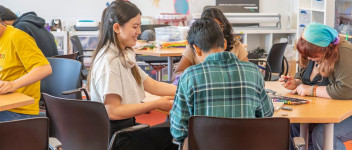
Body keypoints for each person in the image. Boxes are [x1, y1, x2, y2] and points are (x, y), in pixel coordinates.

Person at [280, 22, 352, 150]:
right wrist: (297, 83)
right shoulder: (313, 54)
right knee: (295, 123)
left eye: (315, 56)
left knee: (322, 134)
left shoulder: (345, 53)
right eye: (307, 56)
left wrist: (310, 90)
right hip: (345, 104)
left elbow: (344, 90)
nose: (311, 59)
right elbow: (304, 75)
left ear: (326, 49)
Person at [170, 18, 274, 148]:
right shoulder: (253, 72)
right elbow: (267, 113)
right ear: (224, 44)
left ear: (197, 49)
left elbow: (178, 129)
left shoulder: (189, 76)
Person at [87, 1, 177, 149]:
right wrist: (155, 104)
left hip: (123, 130)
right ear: (116, 27)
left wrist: (185, 88)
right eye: (134, 26)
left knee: (172, 130)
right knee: (178, 134)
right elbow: (113, 111)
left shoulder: (123, 55)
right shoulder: (110, 62)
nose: (139, 31)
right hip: (118, 138)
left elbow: (151, 84)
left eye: (139, 26)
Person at [0, 12, 52, 122]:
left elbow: (44, 68)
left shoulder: (18, 37)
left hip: (20, 110)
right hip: (4, 102)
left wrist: (13, 84)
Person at [172, 7, 248, 81]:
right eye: (212, 27)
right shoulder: (194, 45)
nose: (217, 31)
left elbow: (247, 72)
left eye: (220, 26)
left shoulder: (235, 44)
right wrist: (196, 76)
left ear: (224, 44)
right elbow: (176, 75)